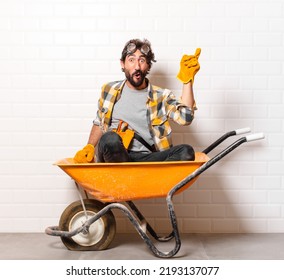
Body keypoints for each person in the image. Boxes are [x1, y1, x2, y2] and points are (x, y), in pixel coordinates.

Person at [74, 39, 201, 163]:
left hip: (145, 159)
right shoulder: (109, 90)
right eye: (131, 60)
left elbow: (186, 118)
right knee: (110, 139)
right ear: (122, 64)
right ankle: (129, 173)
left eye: (142, 60)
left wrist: (187, 80)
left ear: (148, 65)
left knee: (186, 151)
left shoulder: (161, 96)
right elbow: (99, 122)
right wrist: (89, 147)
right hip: (113, 156)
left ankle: (146, 175)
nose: (137, 66)